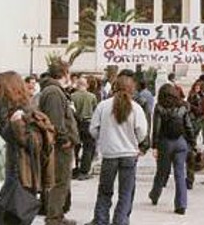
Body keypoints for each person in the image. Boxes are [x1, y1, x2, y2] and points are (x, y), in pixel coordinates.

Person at [0, 71, 56, 225]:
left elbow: (33, 143)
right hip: (16, 170)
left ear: (7, 89)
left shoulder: (23, 111)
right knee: (7, 214)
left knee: (10, 214)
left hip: (22, 172)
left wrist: (16, 124)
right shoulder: (8, 109)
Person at [88, 75, 148, 225]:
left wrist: (103, 138)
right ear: (132, 89)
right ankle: (120, 221)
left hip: (109, 153)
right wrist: (135, 142)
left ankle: (101, 220)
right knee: (126, 192)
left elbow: (93, 129)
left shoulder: (103, 106)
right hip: (129, 154)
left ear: (114, 87)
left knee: (104, 191)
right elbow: (142, 132)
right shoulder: (136, 108)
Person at [39, 60, 80, 225]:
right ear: (64, 73)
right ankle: (54, 217)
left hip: (61, 145)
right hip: (60, 146)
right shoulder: (54, 92)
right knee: (60, 181)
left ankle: (58, 214)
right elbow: (56, 121)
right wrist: (65, 139)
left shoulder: (54, 90)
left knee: (62, 181)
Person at [149, 83, 195, 215]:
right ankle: (181, 204)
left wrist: (154, 146)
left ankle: (155, 194)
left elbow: (156, 129)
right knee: (180, 174)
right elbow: (189, 127)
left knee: (161, 172)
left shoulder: (159, 108)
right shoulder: (183, 107)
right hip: (181, 142)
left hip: (165, 143)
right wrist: (192, 143)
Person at [71, 76, 98, 181]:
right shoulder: (92, 96)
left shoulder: (72, 96)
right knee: (88, 147)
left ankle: (75, 169)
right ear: (86, 85)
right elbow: (95, 109)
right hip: (88, 123)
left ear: (77, 85)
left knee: (75, 148)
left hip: (76, 123)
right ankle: (84, 171)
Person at [186, 81, 204, 189]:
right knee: (191, 153)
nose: (197, 88)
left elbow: (201, 110)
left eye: (199, 87)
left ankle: (189, 180)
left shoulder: (201, 96)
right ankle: (189, 180)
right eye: (196, 86)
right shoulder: (192, 96)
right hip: (193, 124)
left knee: (191, 153)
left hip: (197, 123)